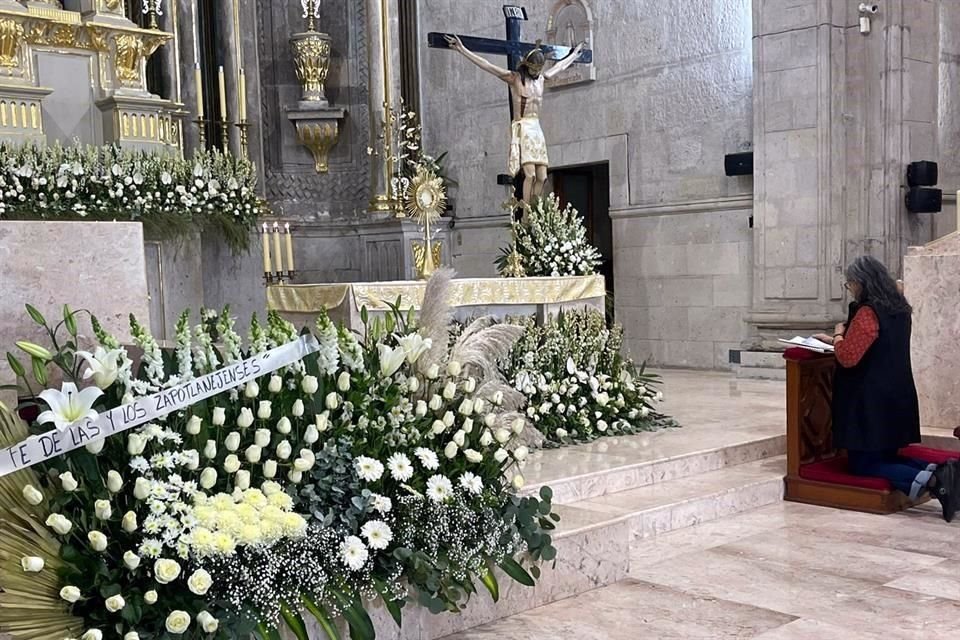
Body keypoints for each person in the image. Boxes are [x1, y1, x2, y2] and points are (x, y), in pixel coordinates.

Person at [814, 256, 960, 521]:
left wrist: (836, 335)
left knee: (864, 463)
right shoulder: (899, 308)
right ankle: (940, 470)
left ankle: (935, 479)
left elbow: (848, 357)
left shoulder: (869, 311)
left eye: (850, 284)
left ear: (861, 282)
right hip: (895, 394)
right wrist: (842, 337)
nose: (851, 289)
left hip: (871, 401)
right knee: (886, 455)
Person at [443, 35, 584, 204]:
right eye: (534, 69)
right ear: (527, 65)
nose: (536, 72)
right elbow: (487, 65)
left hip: (536, 127)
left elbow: (560, 66)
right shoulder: (514, 78)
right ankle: (525, 215)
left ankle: (534, 209)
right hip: (522, 126)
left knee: (542, 177)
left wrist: (574, 55)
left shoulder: (541, 79)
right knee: (530, 175)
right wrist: (462, 49)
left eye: (539, 69)